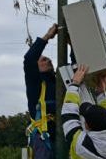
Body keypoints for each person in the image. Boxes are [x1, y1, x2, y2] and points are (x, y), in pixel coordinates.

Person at [24, 23, 76, 159]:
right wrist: (47, 36)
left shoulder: (60, 81)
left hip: (63, 134)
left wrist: (72, 43)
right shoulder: (35, 83)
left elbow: (76, 69)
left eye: (48, 59)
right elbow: (29, 59)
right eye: (43, 59)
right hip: (43, 139)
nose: (49, 60)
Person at [61, 65, 106, 159]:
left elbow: (68, 115)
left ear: (86, 126)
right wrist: (101, 92)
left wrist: (75, 83)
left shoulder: (81, 145)